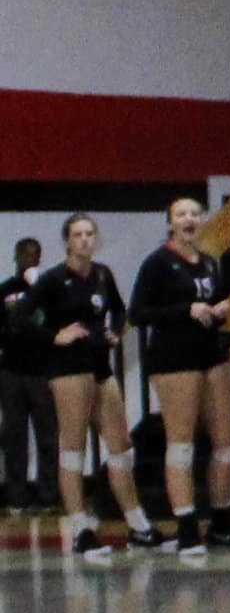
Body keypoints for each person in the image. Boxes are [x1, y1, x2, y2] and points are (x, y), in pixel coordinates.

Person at [32, 214, 160, 560]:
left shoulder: (102, 274)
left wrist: (115, 332)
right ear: (67, 241)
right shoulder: (53, 280)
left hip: (100, 367)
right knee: (73, 447)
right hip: (68, 370)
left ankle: (138, 525)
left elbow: (119, 310)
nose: (85, 240)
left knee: (121, 446)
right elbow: (20, 319)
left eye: (90, 234)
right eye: (78, 235)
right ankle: (80, 530)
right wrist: (54, 335)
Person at [130, 197, 230, 553]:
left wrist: (220, 310)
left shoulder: (209, 263)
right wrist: (185, 310)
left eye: (195, 213)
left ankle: (223, 521)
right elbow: (138, 312)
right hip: (174, 359)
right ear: (170, 224)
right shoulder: (158, 263)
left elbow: (214, 305)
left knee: (229, 438)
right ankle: (186, 526)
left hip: (211, 354)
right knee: (181, 441)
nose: (189, 219)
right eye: (181, 214)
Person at [1, 236, 61, 515]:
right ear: (16, 257)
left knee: (47, 435)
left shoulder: (48, 290)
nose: (29, 259)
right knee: (14, 435)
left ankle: (49, 495)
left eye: (34, 254)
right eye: (24, 254)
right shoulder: (5, 290)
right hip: (12, 371)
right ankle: (16, 496)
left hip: (43, 371)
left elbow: (58, 323)